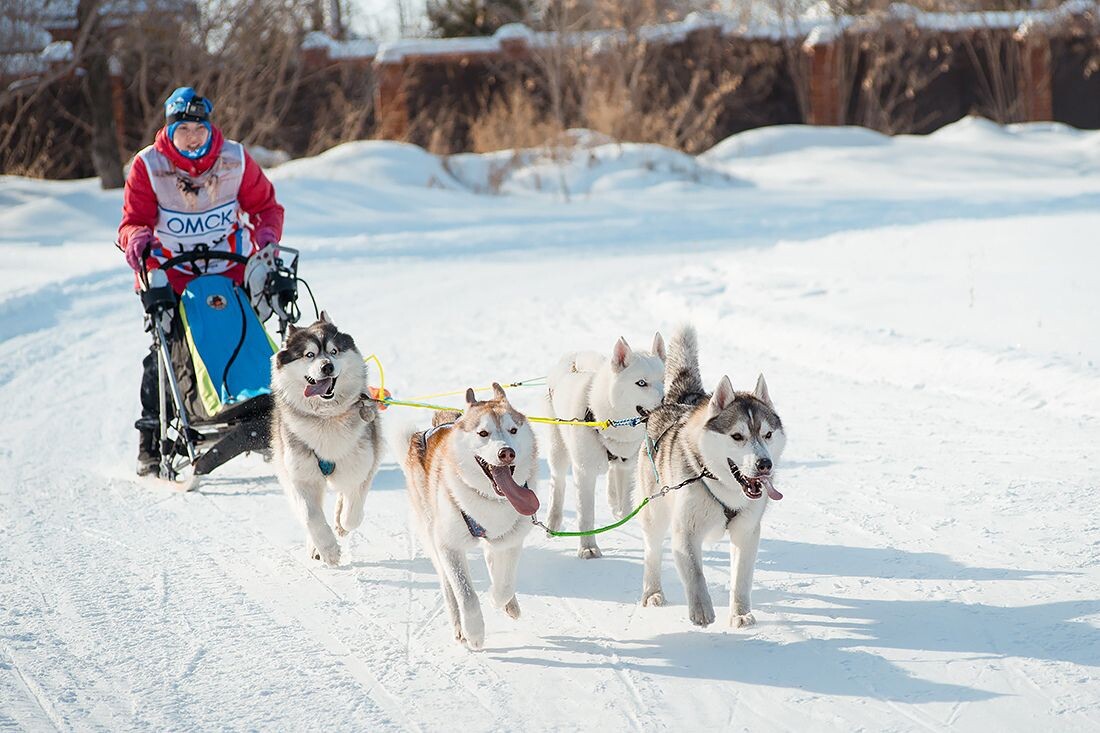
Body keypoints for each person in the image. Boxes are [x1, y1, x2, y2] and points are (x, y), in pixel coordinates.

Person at [117, 86, 285, 476]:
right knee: (166, 350)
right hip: (170, 275)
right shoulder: (148, 166)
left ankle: (262, 403)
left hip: (230, 270)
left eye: (199, 128)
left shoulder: (235, 160)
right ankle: (151, 440)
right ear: (170, 131)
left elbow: (265, 208)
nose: (192, 136)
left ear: (210, 130)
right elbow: (132, 222)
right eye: (183, 129)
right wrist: (138, 240)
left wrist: (265, 241)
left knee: (250, 335)